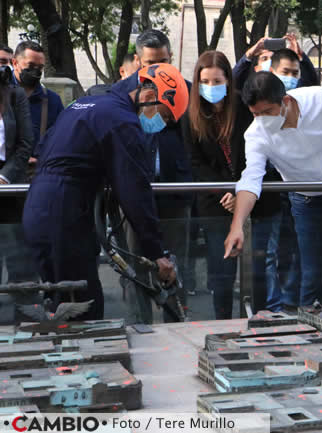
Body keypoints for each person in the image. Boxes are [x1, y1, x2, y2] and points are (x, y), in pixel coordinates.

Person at [22, 63, 188, 321]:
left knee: (59, 303)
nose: (162, 124)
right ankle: (83, 361)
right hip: (65, 212)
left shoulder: (85, 105)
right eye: (165, 116)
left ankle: (64, 359)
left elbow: (43, 149)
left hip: (38, 206)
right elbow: (135, 193)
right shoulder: (123, 121)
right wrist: (158, 253)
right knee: (83, 309)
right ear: (147, 96)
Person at [223, 72, 322, 307]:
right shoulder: (256, 134)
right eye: (255, 114)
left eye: (267, 112)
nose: (262, 119)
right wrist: (237, 225)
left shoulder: (320, 99)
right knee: (311, 272)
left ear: (286, 101)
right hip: (306, 200)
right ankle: (312, 326)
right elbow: (251, 178)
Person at [182, 50, 280, 318]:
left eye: (217, 81)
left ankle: (260, 323)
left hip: (255, 200)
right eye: (206, 82)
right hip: (215, 204)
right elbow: (196, 163)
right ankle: (222, 326)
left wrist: (241, 191)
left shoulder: (244, 109)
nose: (211, 87)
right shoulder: (190, 116)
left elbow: (260, 152)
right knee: (222, 274)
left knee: (259, 269)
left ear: (228, 80)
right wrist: (226, 191)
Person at [111, 29, 194, 323]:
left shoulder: (186, 89)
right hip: (135, 194)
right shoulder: (122, 94)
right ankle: (141, 325)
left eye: (163, 62)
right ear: (137, 61)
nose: (157, 70)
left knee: (174, 264)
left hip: (174, 193)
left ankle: (176, 324)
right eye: (149, 64)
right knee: (138, 264)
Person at [0, 65, 34, 289]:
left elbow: (26, 142)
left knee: (20, 264)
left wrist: (4, 177)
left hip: (10, 187)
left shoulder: (15, 95)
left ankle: (25, 318)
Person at [11, 41, 64, 156]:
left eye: (40, 67)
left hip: (37, 170)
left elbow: (60, 139)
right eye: (30, 66)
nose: (35, 71)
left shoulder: (52, 100)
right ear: (15, 63)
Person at [233, 34, 318, 91]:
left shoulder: (294, 91)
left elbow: (311, 82)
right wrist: (249, 55)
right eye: (264, 58)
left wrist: (300, 55)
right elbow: (233, 82)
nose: (269, 61)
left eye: (273, 58)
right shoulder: (252, 91)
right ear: (256, 68)